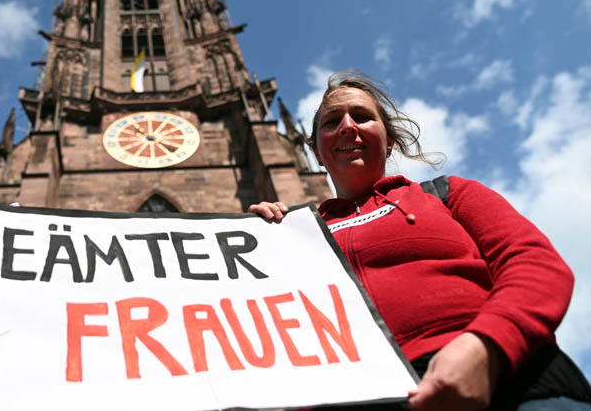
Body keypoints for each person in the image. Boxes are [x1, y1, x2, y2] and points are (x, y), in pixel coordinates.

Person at [249, 71, 590, 411]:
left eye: (363, 116)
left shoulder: (448, 194)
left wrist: (486, 346)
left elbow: (536, 266)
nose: (347, 126)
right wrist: (249, 242)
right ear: (315, 151)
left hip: (508, 381)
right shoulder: (298, 232)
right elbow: (273, 335)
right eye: (332, 121)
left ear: (389, 141)